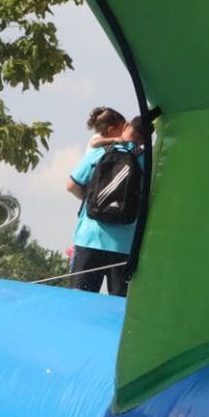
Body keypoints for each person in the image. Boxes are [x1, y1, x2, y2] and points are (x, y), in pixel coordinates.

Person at [65, 108, 145, 296]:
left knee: (79, 301)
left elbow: (70, 185)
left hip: (89, 238)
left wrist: (87, 200)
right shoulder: (145, 162)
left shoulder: (99, 152)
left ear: (126, 127)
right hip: (124, 245)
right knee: (118, 309)